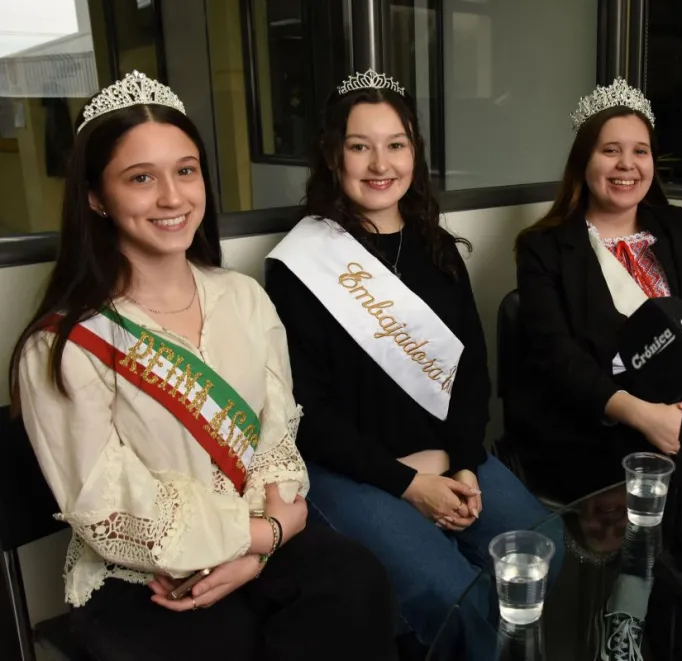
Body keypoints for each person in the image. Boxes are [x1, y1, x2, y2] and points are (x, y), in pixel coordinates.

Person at [9, 71, 397, 661]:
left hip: (263, 539)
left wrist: (261, 543)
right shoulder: (62, 345)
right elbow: (109, 504)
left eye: (185, 171)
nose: (172, 197)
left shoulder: (243, 298)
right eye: (141, 178)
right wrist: (256, 535)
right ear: (94, 196)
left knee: (355, 582)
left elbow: (276, 434)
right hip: (142, 574)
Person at [264, 70, 556, 652]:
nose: (380, 163)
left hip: (445, 454)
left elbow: (472, 374)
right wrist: (410, 484)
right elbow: (309, 416)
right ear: (331, 155)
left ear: (414, 153)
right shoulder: (299, 265)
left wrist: (461, 463)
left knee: (542, 544)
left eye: (395, 144)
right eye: (359, 146)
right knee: (454, 592)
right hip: (346, 469)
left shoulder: (436, 247)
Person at [513, 78, 682, 503]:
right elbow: (558, 357)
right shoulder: (543, 248)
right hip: (595, 426)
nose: (626, 165)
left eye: (640, 151)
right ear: (584, 161)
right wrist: (645, 417)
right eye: (610, 150)